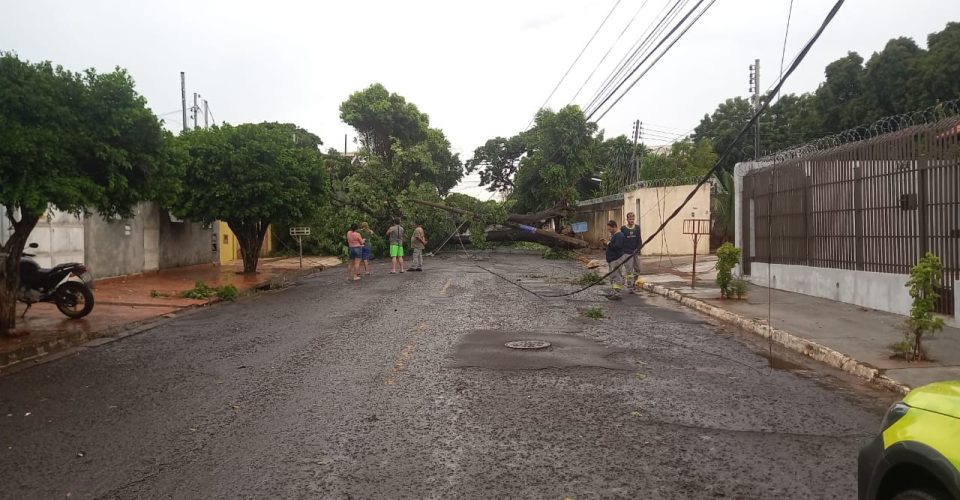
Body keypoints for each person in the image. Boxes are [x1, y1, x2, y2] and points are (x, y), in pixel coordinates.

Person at [600, 220, 627, 288]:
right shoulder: (614, 235)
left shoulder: (619, 235)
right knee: (612, 276)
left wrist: (608, 243)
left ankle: (617, 293)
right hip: (612, 259)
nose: (609, 230)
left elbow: (617, 247)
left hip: (616, 259)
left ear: (614, 227)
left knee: (616, 277)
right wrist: (605, 243)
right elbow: (612, 246)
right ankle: (614, 292)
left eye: (610, 229)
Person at [621, 212, 641, 289]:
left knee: (638, 269)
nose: (632, 220)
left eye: (633, 219)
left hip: (635, 252)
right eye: (630, 219)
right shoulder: (623, 228)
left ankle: (634, 281)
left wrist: (638, 249)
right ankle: (630, 285)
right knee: (629, 270)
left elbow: (639, 239)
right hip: (627, 253)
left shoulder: (637, 227)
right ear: (627, 219)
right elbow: (622, 241)